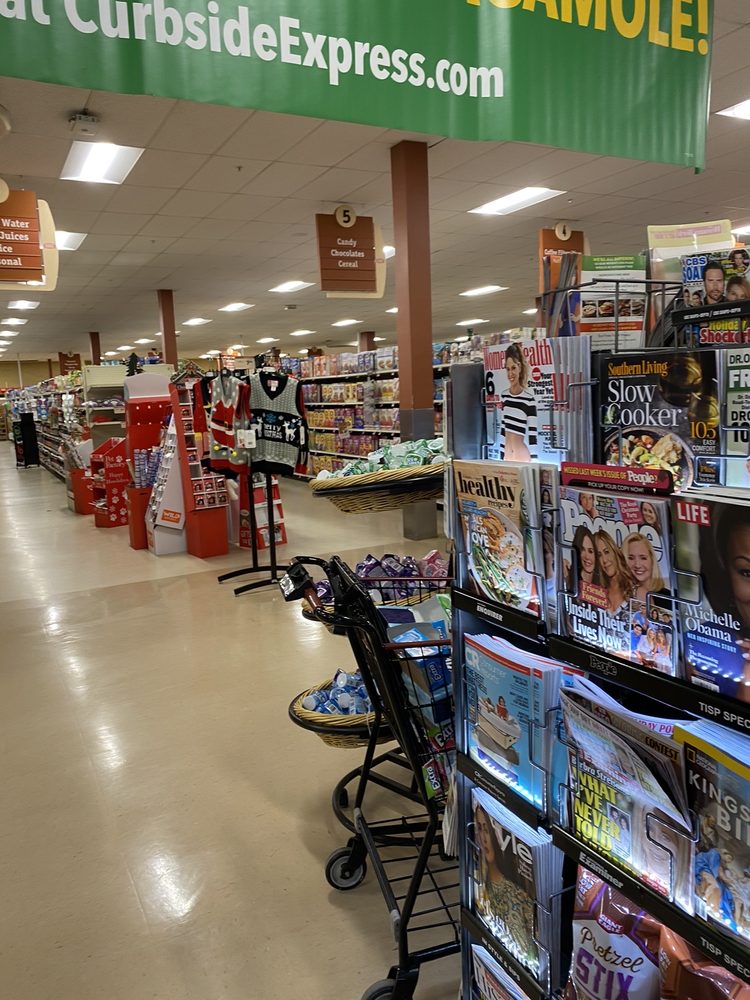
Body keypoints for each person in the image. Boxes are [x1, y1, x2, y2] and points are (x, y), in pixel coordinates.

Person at [499, 343, 537, 462]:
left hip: (522, 456)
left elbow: (532, 434)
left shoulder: (529, 400)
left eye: (514, 368)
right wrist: (501, 455)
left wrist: (534, 462)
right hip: (507, 456)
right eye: (508, 369)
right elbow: (503, 428)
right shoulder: (504, 396)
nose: (511, 373)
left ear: (519, 367)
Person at [594, 530, 634, 614]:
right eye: (599, 555)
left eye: (607, 552)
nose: (604, 560)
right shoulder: (597, 591)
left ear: (614, 551)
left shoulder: (633, 586)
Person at [622, 532, 666, 604]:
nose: (637, 565)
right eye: (631, 558)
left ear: (652, 559)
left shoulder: (671, 597)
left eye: (643, 558)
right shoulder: (621, 597)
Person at [566, 524, 602, 593]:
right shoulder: (569, 580)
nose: (587, 557)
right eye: (582, 550)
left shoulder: (603, 583)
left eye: (590, 551)